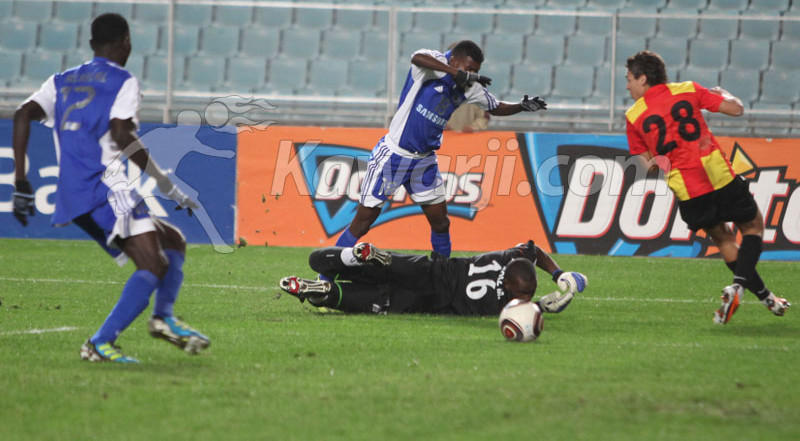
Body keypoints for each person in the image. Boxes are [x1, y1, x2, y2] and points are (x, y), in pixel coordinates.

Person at [12, 13, 210, 363]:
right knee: (152, 264)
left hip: (76, 193)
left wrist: (21, 180)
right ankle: (100, 343)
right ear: (126, 43)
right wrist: (164, 182)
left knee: (172, 240)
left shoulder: (61, 80)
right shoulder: (123, 81)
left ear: (91, 45)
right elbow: (121, 134)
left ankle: (163, 318)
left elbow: (21, 115)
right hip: (104, 188)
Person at [335, 40, 547, 260]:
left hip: (424, 162)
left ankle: (441, 276)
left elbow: (495, 106)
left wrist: (520, 106)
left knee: (441, 222)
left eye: (476, 71)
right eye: (469, 68)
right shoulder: (430, 65)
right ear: (454, 59)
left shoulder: (470, 87)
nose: (472, 74)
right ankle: (327, 273)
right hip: (394, 155)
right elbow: (415, 57)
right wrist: (454, 72)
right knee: (363, 222)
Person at [623, 50, 790, 324]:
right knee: (752, 227)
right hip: (716, 173)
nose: (627, 85)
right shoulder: (688, 89)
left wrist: (667, 157)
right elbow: (736, 109)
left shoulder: (633, 116)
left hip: (687, 188)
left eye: (629, 79)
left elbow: (650, 165)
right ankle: (738, 286)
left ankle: (767, 298)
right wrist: (725, 94)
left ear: (643, 78)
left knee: (724, 239)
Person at [279, 241, 587, 316]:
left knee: (317, 259)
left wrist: (558, 273)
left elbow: (533, 250)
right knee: (366, 301)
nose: (525, 297)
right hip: (427, 300)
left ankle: (358, 260)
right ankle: (322, 293)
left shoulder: (508, 260)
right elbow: (520, 311)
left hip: (427, 269)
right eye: (524, 293)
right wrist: (543, 307)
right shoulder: (503, 306)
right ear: (507, 285)